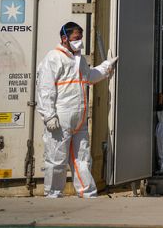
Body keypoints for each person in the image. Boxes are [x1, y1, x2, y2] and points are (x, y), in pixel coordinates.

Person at [36, 21, 118, 198]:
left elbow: (88, 77)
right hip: (60, 117)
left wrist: (106, 67)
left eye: (81, 38)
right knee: (56, 159)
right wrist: (49, 115)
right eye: (76, 38)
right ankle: (53, 195)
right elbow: (45, 89)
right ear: (64, 38)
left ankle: (88, 194)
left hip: (79, 118)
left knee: (82, 158)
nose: (79, 41)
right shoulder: (54, 57)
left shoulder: (78, 59)